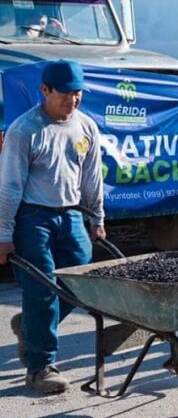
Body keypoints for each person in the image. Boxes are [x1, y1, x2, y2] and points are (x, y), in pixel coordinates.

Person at [0, 59, 106, 393]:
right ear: (44, 90)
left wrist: (97, 218)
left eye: (78, 94)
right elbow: (10, 186)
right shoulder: (25, 130)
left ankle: (31, 328)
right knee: (42, 289)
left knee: (78, 282)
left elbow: (92, 177)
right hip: (32, 218)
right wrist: (4, 234)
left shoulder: (86, 126)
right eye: (65, 94)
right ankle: (40, 366)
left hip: (70, 214)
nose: (72, 101)